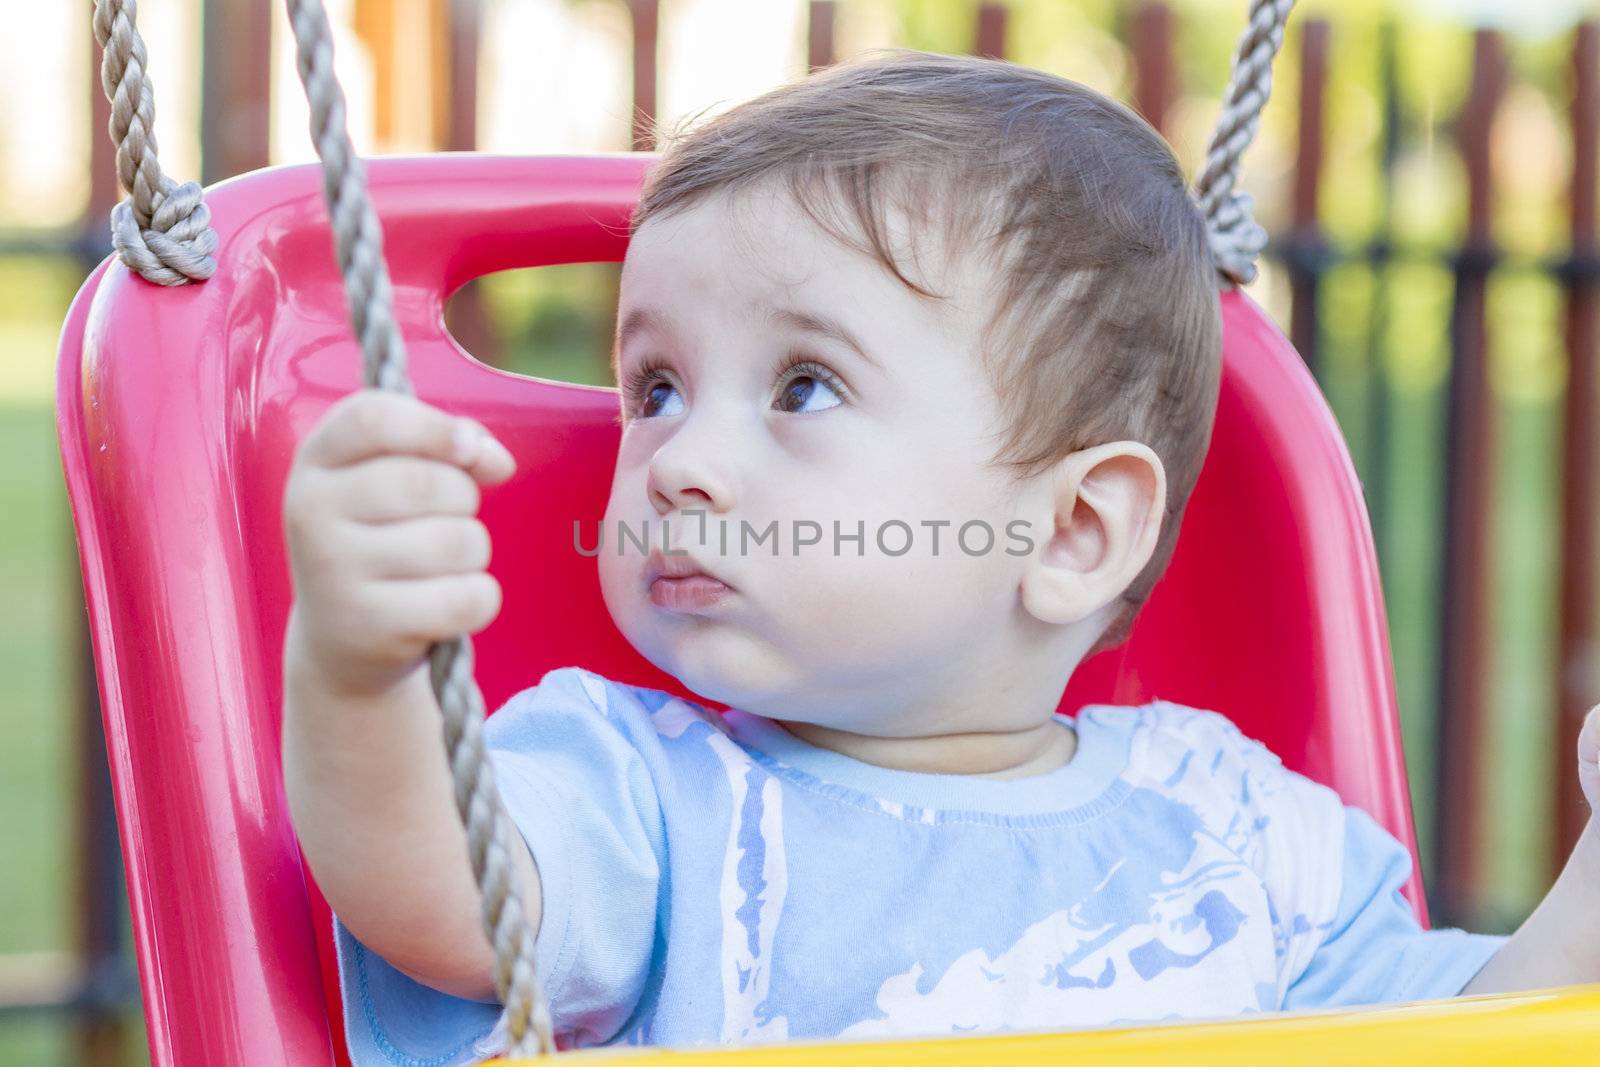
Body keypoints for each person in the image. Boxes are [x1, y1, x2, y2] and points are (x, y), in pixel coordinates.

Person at [279, 52, 1600, 1064]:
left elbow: (1483, 1028)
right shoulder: (644, 793)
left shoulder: (1239, 837)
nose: (676, 460)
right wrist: (359, 666)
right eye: (655, 387)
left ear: (1075, 532)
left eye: (800, 388)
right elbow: (444, 899)